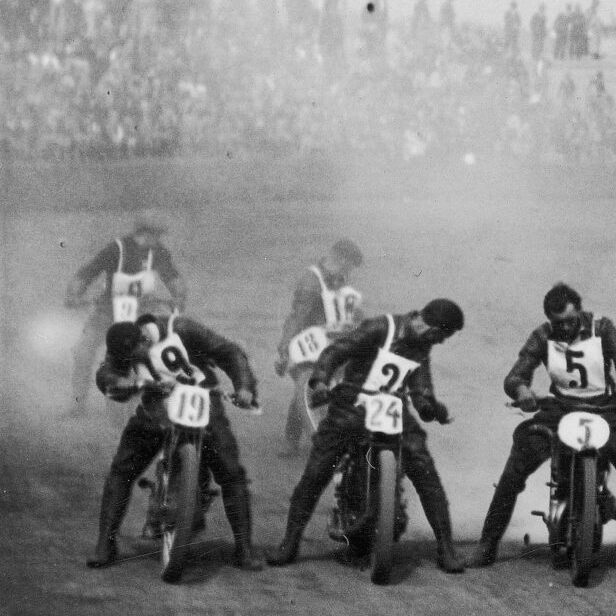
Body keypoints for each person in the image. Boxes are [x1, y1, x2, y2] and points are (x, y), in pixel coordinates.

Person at [471, 283, 616, 576]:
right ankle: (486, 545)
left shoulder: (603, 328)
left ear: (580, 312)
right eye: (558, 322)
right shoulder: (542, 335)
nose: (566, 327)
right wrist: (522, 391)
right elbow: (516, 374)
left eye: (571, 320)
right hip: (560, 409)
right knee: (517, 464)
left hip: (605, 409)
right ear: (550, 319)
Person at [270, 299, 469, 571]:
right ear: (432, 326)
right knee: (318, 469)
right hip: (352, 403)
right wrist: (320, 381)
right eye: (443, 335)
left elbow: (420, 386)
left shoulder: (422, 346)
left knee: (424, 469)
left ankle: (446, 549)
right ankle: (289, 542)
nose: (442, 341)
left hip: (392, 409)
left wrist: (429, 407)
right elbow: (336, 351)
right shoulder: (382, 327)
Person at [86, 312, 263, 570]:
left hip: (202, 402)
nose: (133, 360)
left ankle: (244, 548)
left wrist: (244, 387)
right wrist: (118, 382)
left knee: (231, 472)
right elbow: (107, 372)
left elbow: (229, 351)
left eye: (136, 354)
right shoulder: (123, 341)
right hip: (156, 408)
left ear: (144, 338)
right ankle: (105, 544)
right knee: (122, 469)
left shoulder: (181, 328)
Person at [64, 218, 184, 412]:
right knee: (83, 352)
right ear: (144, 233)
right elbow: (88, 273)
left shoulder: (158, 252)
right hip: (106, 312)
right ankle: (78, 403)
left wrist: (179, 297)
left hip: (141, 313)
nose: (159, 239)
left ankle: (152, 400)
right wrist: (74, 294)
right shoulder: (116, 249)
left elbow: (173, 278)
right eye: (156, 235)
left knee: (156, 352)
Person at [276, 238, 366, 458]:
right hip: (309, 345)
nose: (349, 271)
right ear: (339, 258)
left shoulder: (340, 278)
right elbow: (297, 316)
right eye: (348, 265)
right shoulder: (311, 281)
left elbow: (352, 312)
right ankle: (291, 440)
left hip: (334, 342)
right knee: (306, 386)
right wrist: (285, 347)